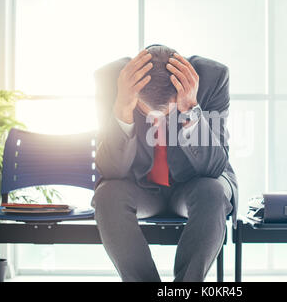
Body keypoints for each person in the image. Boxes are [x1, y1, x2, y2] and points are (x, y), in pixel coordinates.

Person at [91, 44, 238, 282]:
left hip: (194, 185)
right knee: (107, 194)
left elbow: (214, 168)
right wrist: (122, 109)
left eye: (167, 111)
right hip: (138, 186)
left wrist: (190, 110)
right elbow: (111, 169)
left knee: (214, 190)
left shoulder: (214, 78)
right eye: (148, 111)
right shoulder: (110, 80)